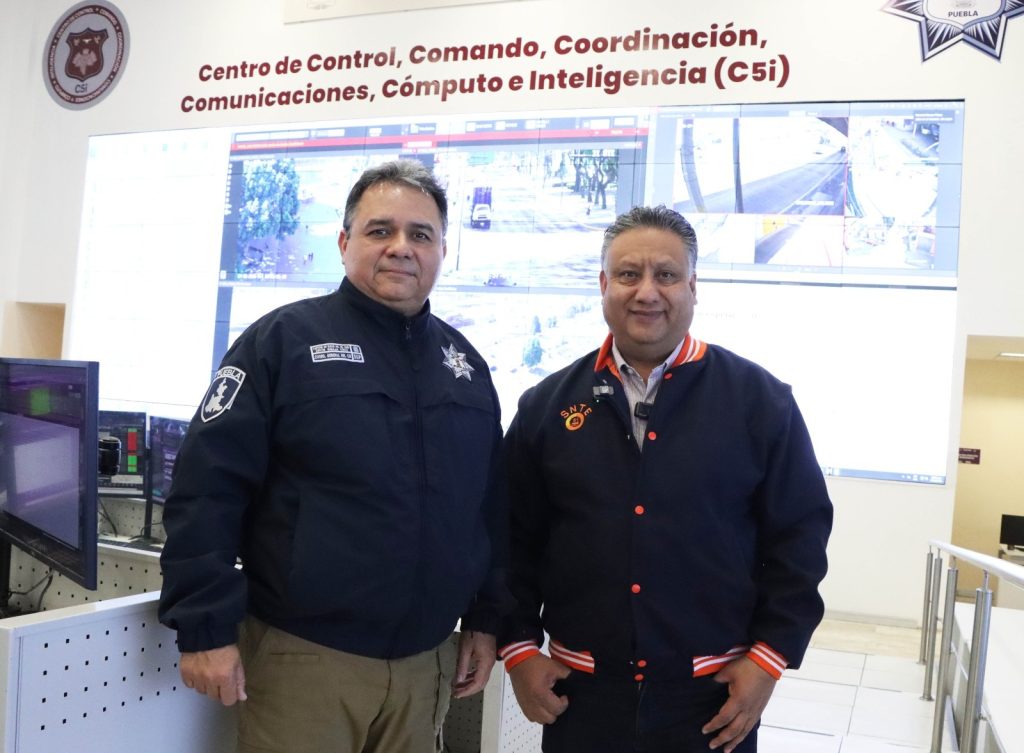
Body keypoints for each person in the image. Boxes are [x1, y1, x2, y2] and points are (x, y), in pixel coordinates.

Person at [158, 160, 509, 753]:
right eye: (380, 230)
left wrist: (486, 617)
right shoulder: (282, 342)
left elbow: (489, 509)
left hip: (426, 665)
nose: (401, 247)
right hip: (305, 661)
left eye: (420, 234)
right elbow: (206, 488)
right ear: (345, 243)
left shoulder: (465, 365)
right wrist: (204, 626)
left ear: (442, 252)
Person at [498, 205, 833, 753]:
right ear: (603, 285)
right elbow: (510, 538)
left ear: (693, 287)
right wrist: (518, 650)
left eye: (667, 275)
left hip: (712, 699)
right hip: (581, 695)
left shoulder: (760, 402)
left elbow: (800, 538)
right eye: (628, 274)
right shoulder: (546, 406)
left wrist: (769, 659)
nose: (647, 292)